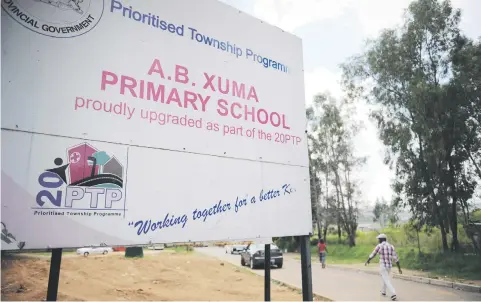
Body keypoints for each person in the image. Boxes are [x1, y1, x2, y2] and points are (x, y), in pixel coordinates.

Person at [365, 233, 402, 301]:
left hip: (383, 266)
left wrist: (368, 260)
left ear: (382, 239)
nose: (378, 240)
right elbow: (396, 258)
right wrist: (399, 268)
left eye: (379, 239)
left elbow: (373, 254)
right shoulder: (391, 246)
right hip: (389, 266)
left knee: (386, 280)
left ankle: (393, 294)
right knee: (384, 278)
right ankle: (383, 292)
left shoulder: (379, 246)